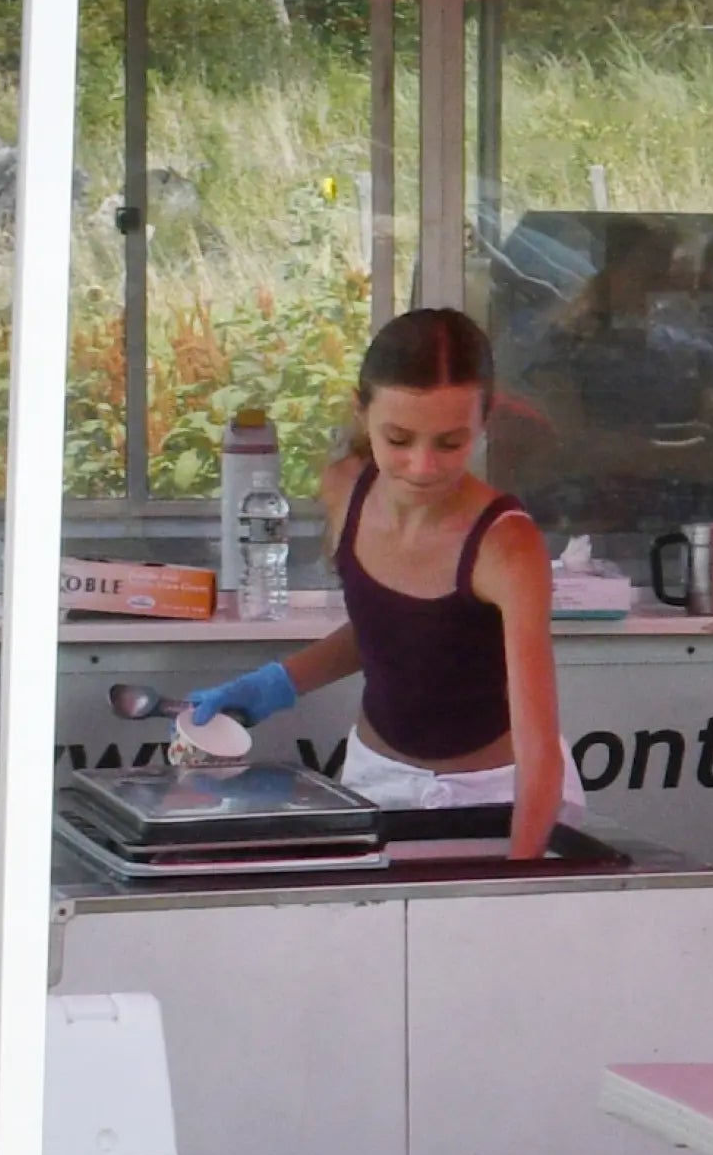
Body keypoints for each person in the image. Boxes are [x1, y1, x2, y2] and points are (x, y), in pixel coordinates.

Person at [186, 306, 564, 858]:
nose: (422, 466)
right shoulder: (345, 489)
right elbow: (385, 631)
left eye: (450, 443)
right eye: (399, 438)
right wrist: (274, 684)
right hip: (372, 780)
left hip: (493, 798)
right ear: (362, 413)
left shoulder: (508, 544)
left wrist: (521, 873)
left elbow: (540, 750)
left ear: (485, 422)